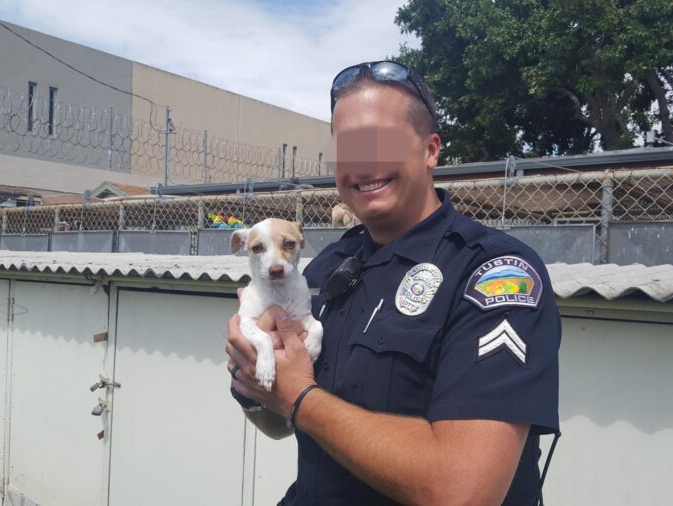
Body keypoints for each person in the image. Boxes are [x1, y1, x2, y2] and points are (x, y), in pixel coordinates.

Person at [225, 61, 560, 505]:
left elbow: (463, 492)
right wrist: (250, 380)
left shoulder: (494, 273)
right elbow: (279, 423)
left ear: (430, 150)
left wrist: (301, 396)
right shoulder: (326, 269)